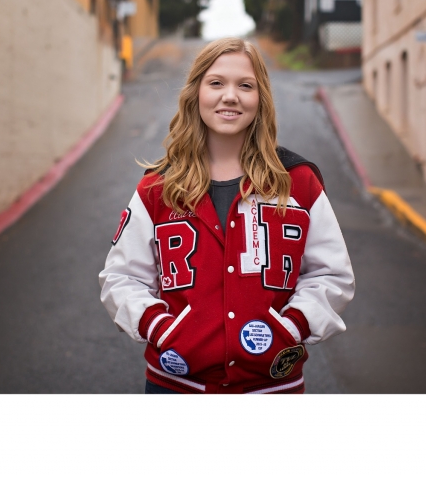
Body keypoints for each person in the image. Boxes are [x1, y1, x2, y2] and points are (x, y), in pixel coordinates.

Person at [99, 37, 355, 394]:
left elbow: (332, 274)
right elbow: (122, 278)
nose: (230, 95)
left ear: (261, 98)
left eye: (245, 85)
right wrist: (162, 328)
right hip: (175, 387)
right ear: (196, 94)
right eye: (216, 83)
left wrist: (292, 327)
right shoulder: (158, 188)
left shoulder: (298, 183)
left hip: (272, 390)